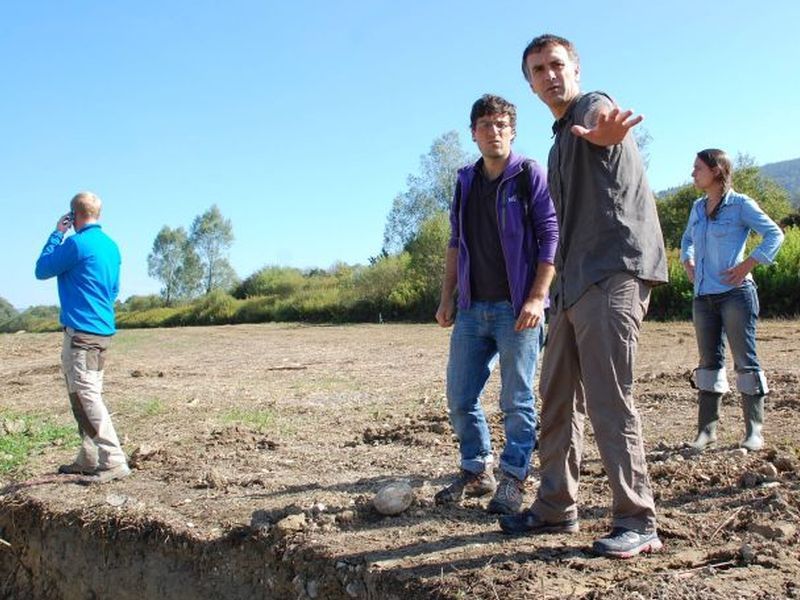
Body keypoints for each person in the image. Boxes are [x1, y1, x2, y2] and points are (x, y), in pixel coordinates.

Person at [499, 34, 668, 558]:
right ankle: (556, 507)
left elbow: (603, 129)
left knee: (608, 396)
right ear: (529, 83)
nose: (549, 75)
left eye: (556, 65)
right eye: (538, 70)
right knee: (557, 398)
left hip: (612, 271)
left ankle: (637, 519)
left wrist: (605, 135)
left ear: (575, 67)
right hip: (573, 284)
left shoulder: (592, 107)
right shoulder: (555, 143)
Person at [434, 94, 558, 515]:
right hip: (472, 309)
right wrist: (447, 296)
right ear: (474, 133)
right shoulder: (465, 180)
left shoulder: (528, 174)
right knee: (459, 396)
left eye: (502, 124)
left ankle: (513, 477)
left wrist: (538, 298)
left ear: (513, 130)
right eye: (485, 125)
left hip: (517, 308)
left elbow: (550, 238)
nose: (494, 132)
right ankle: (475, 468)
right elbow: (455, 242)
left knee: (517, 399)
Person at [680, 149, 784, 452]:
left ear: (716, 170)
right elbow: (687, 240)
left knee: (745, 361)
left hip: (736, 295)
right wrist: (687, 260)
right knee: (708, 364)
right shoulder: (698, 208)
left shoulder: (741, 205)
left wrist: (748, 264)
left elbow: (774, 235)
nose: (692, 173)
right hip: (703, 297)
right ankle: (707, 433)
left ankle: (754, 432)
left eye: (698, 168)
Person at [35, 192, 131, 483]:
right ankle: (89, 456)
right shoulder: (112, 247)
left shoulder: (76, 243)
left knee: (86, 396)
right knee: (82, 394)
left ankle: (112, 460)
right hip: (101, 331)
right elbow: (113, 290)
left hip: (81, 335)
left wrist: (57, 234)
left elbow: (42, 269)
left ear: (73, 216)